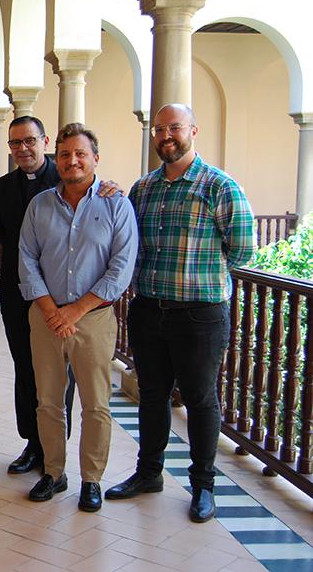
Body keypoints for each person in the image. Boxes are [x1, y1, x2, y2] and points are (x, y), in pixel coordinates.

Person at [105, 104, 254, 522]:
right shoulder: (144, 188)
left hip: (200, 314)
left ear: (193, 130)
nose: (166, 135)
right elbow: (127, 239)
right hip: (150, 309)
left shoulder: (220, 186)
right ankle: (148, 473)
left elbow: (243, 250)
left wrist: (201, 276)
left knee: (200, 399)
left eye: (175, 127)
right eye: (160, 129)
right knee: (152, 395)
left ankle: (203, 485)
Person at [19, 123, 137, 512]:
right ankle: (54, 472)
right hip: (46, 318)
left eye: (80, 154)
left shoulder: (116, 204)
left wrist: (77, 309)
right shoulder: (39, 206)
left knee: (96, 403)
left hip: (94, 320)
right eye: (65, 154)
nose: (72, 161)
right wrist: (53, 311)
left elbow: (121, 267)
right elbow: (27, 260)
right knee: (48, 401)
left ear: (95, 159)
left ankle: (91, 479)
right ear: (58, 159)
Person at [0, 115, 75, 475]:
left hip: (57, 296)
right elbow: (7, 240)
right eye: (15, 143)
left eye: (29, 141)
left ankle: (55, 447)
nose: (23, 149)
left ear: (45, 141)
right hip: (16, 293)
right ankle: (31, 443)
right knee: (25, 368)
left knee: (58, 372)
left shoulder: (67, 179)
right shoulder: (1, 187)